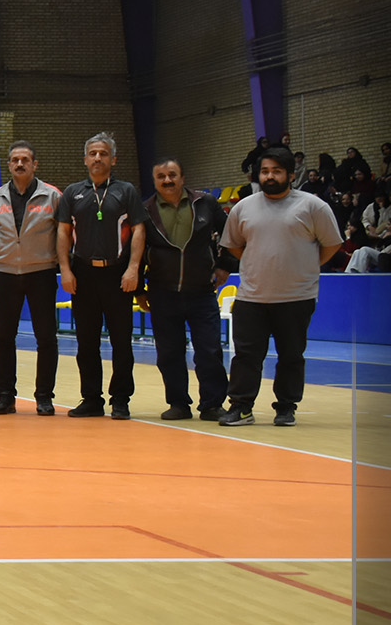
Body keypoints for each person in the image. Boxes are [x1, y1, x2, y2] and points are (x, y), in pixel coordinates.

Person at [221, 149, 342, 427]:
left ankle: (286, 407)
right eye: (265, 171)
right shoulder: (243, 207)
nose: (270, 176)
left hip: (296, 296)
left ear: (290, 175)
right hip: (252, 296)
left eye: (276, 171)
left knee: (291, 356)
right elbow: (235, 246)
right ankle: (241, 406)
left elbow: (332, 244)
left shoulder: (313, 206)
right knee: (246, 356)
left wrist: (305, 265)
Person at [56, 132, 146, 419]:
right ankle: (91, 399)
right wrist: (65, 270)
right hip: (83, 274)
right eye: (93, 153)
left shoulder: (126, 191)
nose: (98, 158)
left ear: (113, 159)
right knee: (86, 342)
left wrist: (133, 268)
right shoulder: (72, 193)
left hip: (118, 274)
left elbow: (139, 230)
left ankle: (120, 399)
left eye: (103, 153)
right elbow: (63, 232)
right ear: (85, 159)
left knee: (121, 341)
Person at [139, 157, 231, 422]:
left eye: (172, 175)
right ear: (154, 181)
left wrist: (225, 265)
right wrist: (139, 290)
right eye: (161, 177)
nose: (167, 180)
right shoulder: (145, 210)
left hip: (202, 291)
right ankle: (178, 403)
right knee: (169, 353)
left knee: (210, 350)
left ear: (182, 178)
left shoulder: (205, 203)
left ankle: (212, 404)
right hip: (161, 292)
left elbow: (231, 233)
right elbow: (138, 250)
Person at [0, 142, 63, 415]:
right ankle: (5, 396)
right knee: (3, 337)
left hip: (41, 273)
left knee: (46, 337)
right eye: (15, 160)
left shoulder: (52, 196)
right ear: (8, 164)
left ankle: (44, 397)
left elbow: (63, 234)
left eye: (25, 160)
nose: (20, 164)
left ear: (34, 164)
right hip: (6, 274)